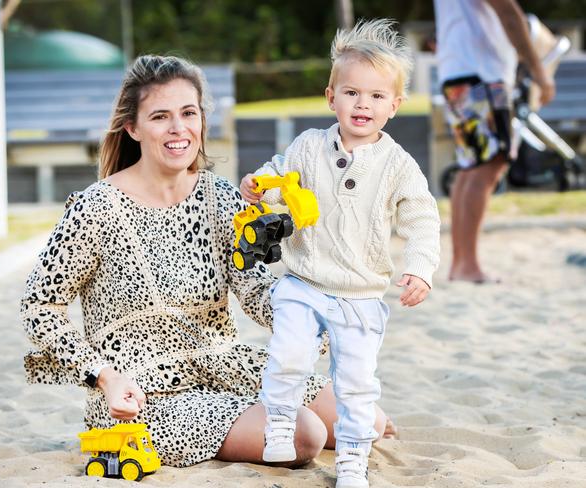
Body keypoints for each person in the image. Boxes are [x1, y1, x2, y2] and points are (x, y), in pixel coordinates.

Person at [20, 54, 395, 470]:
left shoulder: (219, 196)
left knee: (369, 422)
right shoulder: (95, 207)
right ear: (133, 128)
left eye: (188, 113)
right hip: (141, 391)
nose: (178, 128)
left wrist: (312, 314)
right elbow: (40, 308)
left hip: (225, 363)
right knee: (306, 435)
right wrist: (103, 377)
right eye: (160, 116)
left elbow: (252, 288)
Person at [239, 19, 440, 488]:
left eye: (375, 96)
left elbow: (422, 220)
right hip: (304, 282)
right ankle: (281, 424)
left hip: (361, 295)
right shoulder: (309, 147)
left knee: (355, 383)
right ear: (332, 97)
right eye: (351, 93)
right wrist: (258, 187)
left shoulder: (397, 166)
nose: (362, 104)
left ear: (394, 105)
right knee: (288, 355)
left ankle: (352, 456)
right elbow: (278, 177)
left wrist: (420, 269)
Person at [433, 0, 556, 283]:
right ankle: (467, 265)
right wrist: (538, 71)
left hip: (458, 69)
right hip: (481, 74)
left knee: (471, 166)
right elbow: (507, 11)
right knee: (488, 165)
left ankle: (461, 263)